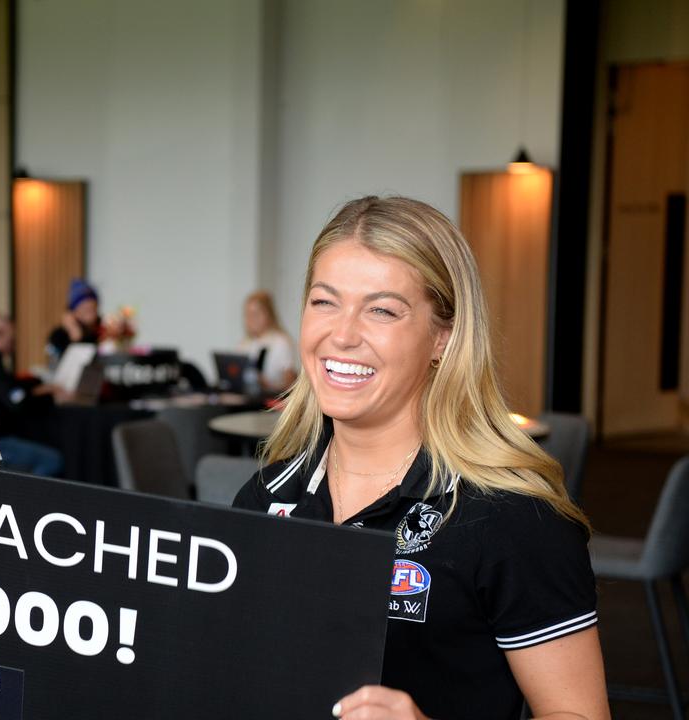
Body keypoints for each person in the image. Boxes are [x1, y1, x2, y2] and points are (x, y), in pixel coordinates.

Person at [233, 197, 608, 720]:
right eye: (324, 302)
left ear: (443, 337)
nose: (341, 335)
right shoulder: (266, 498)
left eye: (382, 310)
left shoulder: (512, 515)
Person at [0, 313, 65, 476]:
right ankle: (27, 500)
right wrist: (50, 397)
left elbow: (7, 386)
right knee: (53, 460)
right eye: (11, 340)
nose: (12, 347)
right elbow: (16, 400)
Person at [236, 289, 297, 392]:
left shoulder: (281, 343)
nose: (251, 319)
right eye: (247, 314)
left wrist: (267, 385)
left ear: (268, 314)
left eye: (255, 314)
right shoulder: (245, 344)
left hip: (271, 401)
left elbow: (290, 386)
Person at [46, 277, 101, 362]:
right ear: (74, 311)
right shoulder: (59, 335)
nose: (91, 313)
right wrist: (75, 333)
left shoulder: (101, 330)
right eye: (86, 309)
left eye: (93, 308)